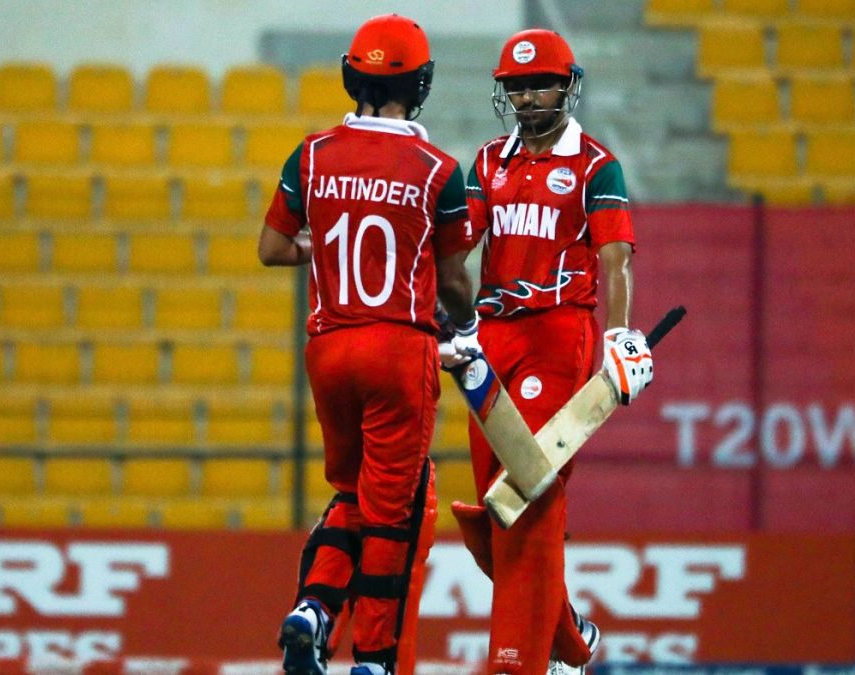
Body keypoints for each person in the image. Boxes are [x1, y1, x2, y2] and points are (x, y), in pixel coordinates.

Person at [257, 14, 479, 675]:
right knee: (395, 513)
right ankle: (374, 658)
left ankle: (315, 609)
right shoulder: (439, 169)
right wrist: (464, 325)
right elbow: (455, 279)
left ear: (352, 76)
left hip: (328, 350)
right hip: (396, 351)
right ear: (421, 85)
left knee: (351, 494)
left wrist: (320, 247)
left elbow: (271, 249)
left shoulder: (313, 153)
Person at [450, 28, 654, 675]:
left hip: (557, 332)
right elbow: (462, 242)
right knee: (498, 502)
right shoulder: (487, 162)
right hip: (489, 338)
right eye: (516, 86)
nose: (528, 97)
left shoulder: (596, 165)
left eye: (539, 84)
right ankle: (570, 639)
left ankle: (517, 662)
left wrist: (620, 336)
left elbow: (615, 257)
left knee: (528, 491)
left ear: (568, 85)